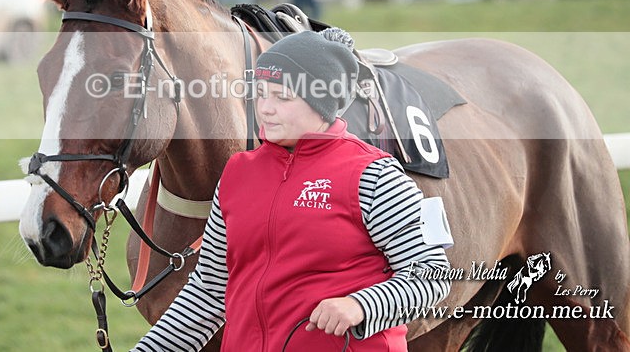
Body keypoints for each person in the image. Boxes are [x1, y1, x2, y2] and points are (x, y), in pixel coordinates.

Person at [132, 28, 452, 351]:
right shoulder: (237, 174)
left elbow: (432, 276)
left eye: (283, 97)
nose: (266, 108)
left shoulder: (374, 176)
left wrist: (361, 306)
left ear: (323, 104)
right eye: (261, 93)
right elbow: (208, 292)